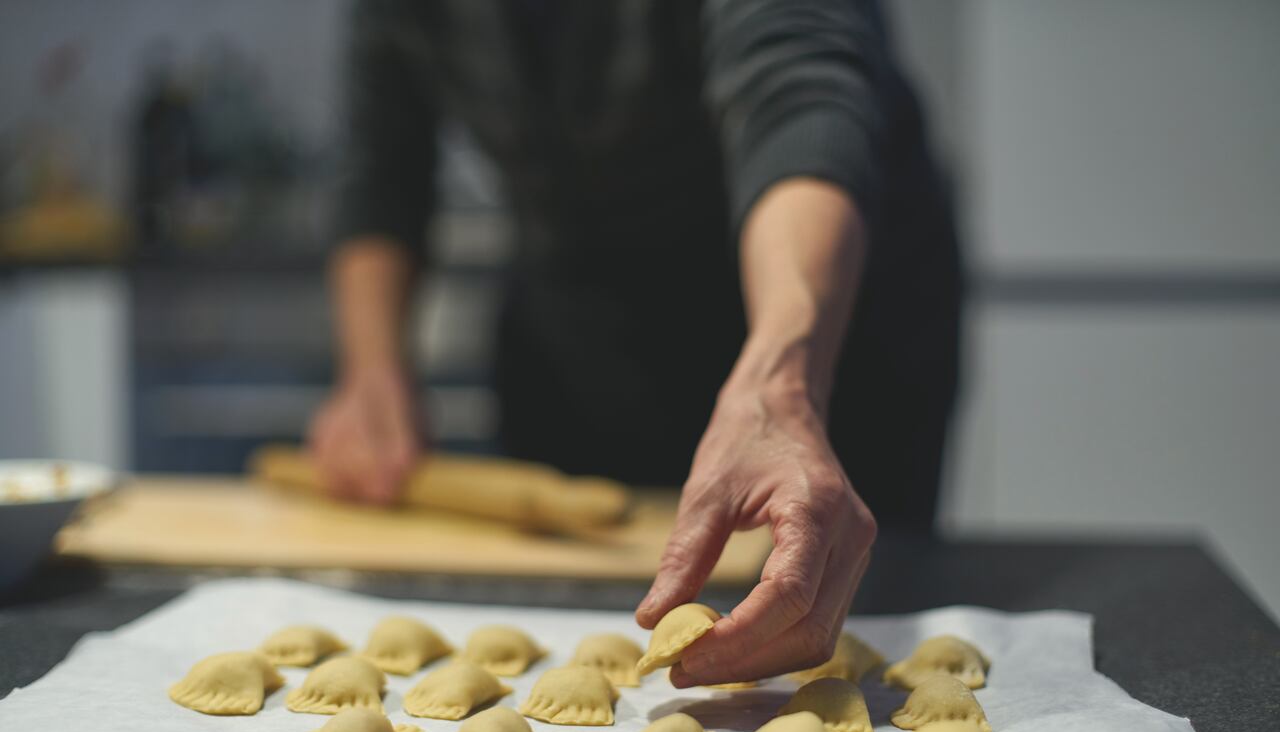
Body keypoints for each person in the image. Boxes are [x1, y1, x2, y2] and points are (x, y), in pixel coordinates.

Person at [309, 0, 963, 687]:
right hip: (580, 329)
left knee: (831, 630)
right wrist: (372, 369)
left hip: (814, 308)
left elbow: (801, 94)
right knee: (579, 634)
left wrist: (781, 382)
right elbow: (381, 157)